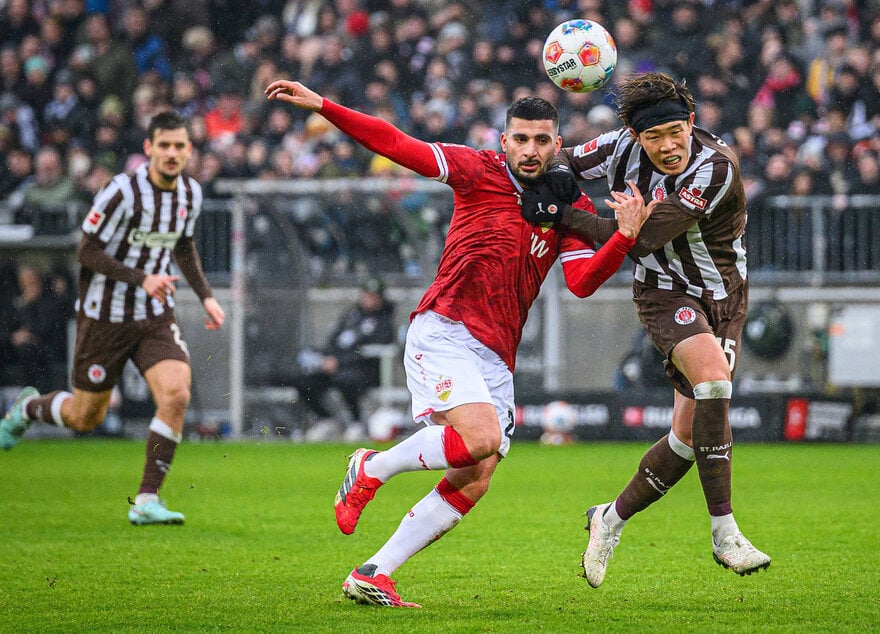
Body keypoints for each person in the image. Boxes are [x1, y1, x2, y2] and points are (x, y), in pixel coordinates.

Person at [265, 78, 653, 608]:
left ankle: (374, 571)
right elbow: (399, 145)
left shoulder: (566, 205)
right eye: (521, 139)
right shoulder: (479, 172)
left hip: (496, 355)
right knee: (480, 439)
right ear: (504, 141)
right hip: (444, 328)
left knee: (476, 476)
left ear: (557, 145)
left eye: (542, 140)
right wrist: (327, 107)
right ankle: (370, 467)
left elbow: (583, 283)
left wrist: (623, 236)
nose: (531, 150)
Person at [521, 71, 771, 586]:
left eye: (675, 131)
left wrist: (563, 213)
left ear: (692, 124)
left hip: (722, 296)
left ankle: (608, 519)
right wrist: (554, 181)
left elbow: (638, 238)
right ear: (636, 137)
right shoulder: (616, 146)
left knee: (686, 436)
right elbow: (562, 159)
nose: (668, 145)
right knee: (714, 381)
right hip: (663, 291)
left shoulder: (715, 168)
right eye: (654, 137)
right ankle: (725, 533)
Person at [0, 111, 226, 526]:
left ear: (189, 151)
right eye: (165, 145)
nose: (173, 153)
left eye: (180, 146)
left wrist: (207, 298)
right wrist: (141, 279)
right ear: (149, 149)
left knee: (176, 393)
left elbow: (184, 247)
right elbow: (85, 251)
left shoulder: (191, 194)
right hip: (104, 317)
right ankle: (28, 408)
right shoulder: (122, 192)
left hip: (154, 315)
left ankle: (146, 500)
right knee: (86, 416)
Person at [295, 275, 397, 442]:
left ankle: (356, 422)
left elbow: (370, 350)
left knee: (345, 380)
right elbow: (334, 340)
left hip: (364, 371)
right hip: (335, 365)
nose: (369, 300)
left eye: (374, 296)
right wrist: (327, 358)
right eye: (367, 295)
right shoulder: (352, 315)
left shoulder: (384, 321)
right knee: (304, 381)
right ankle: (326, 420)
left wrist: (340, 362)